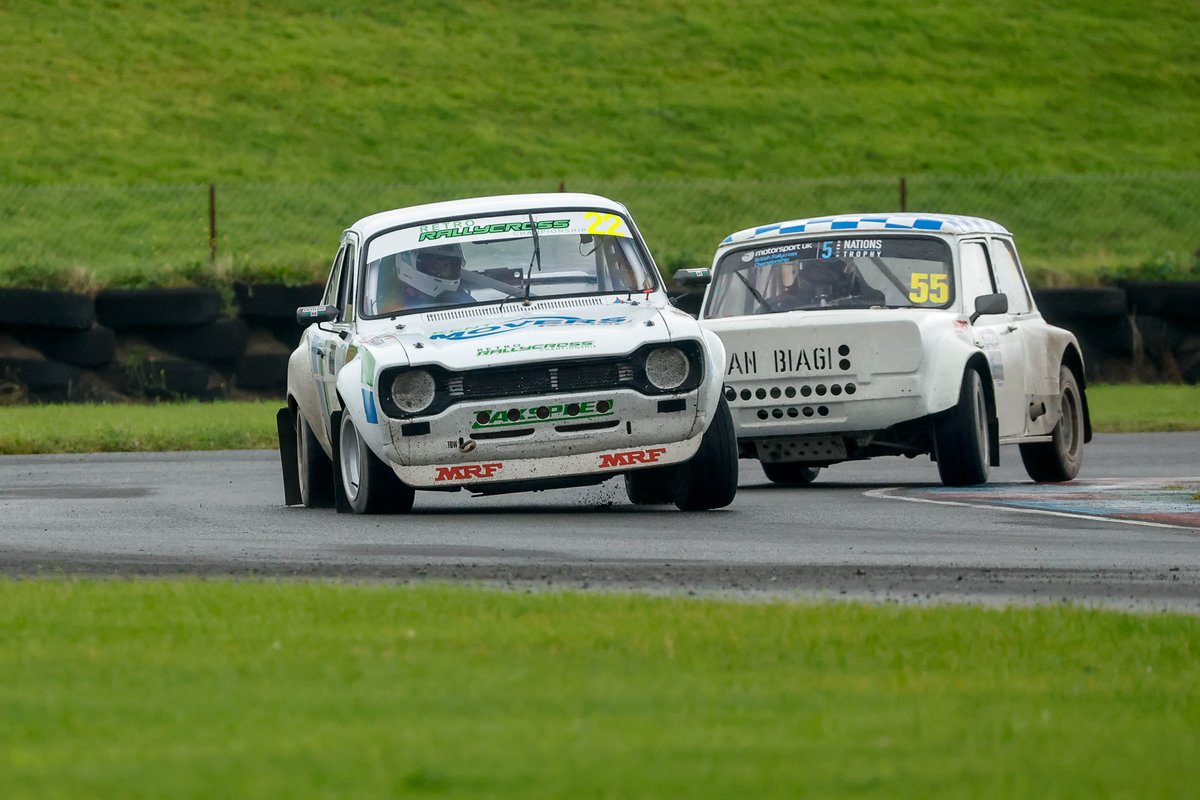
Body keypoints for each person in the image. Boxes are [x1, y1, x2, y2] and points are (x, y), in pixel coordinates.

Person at [380, 243, 474, 312]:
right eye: (435, 265)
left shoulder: (460, 299)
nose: (447, 270)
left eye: (453, 265)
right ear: (409, 263)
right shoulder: (392, 305)